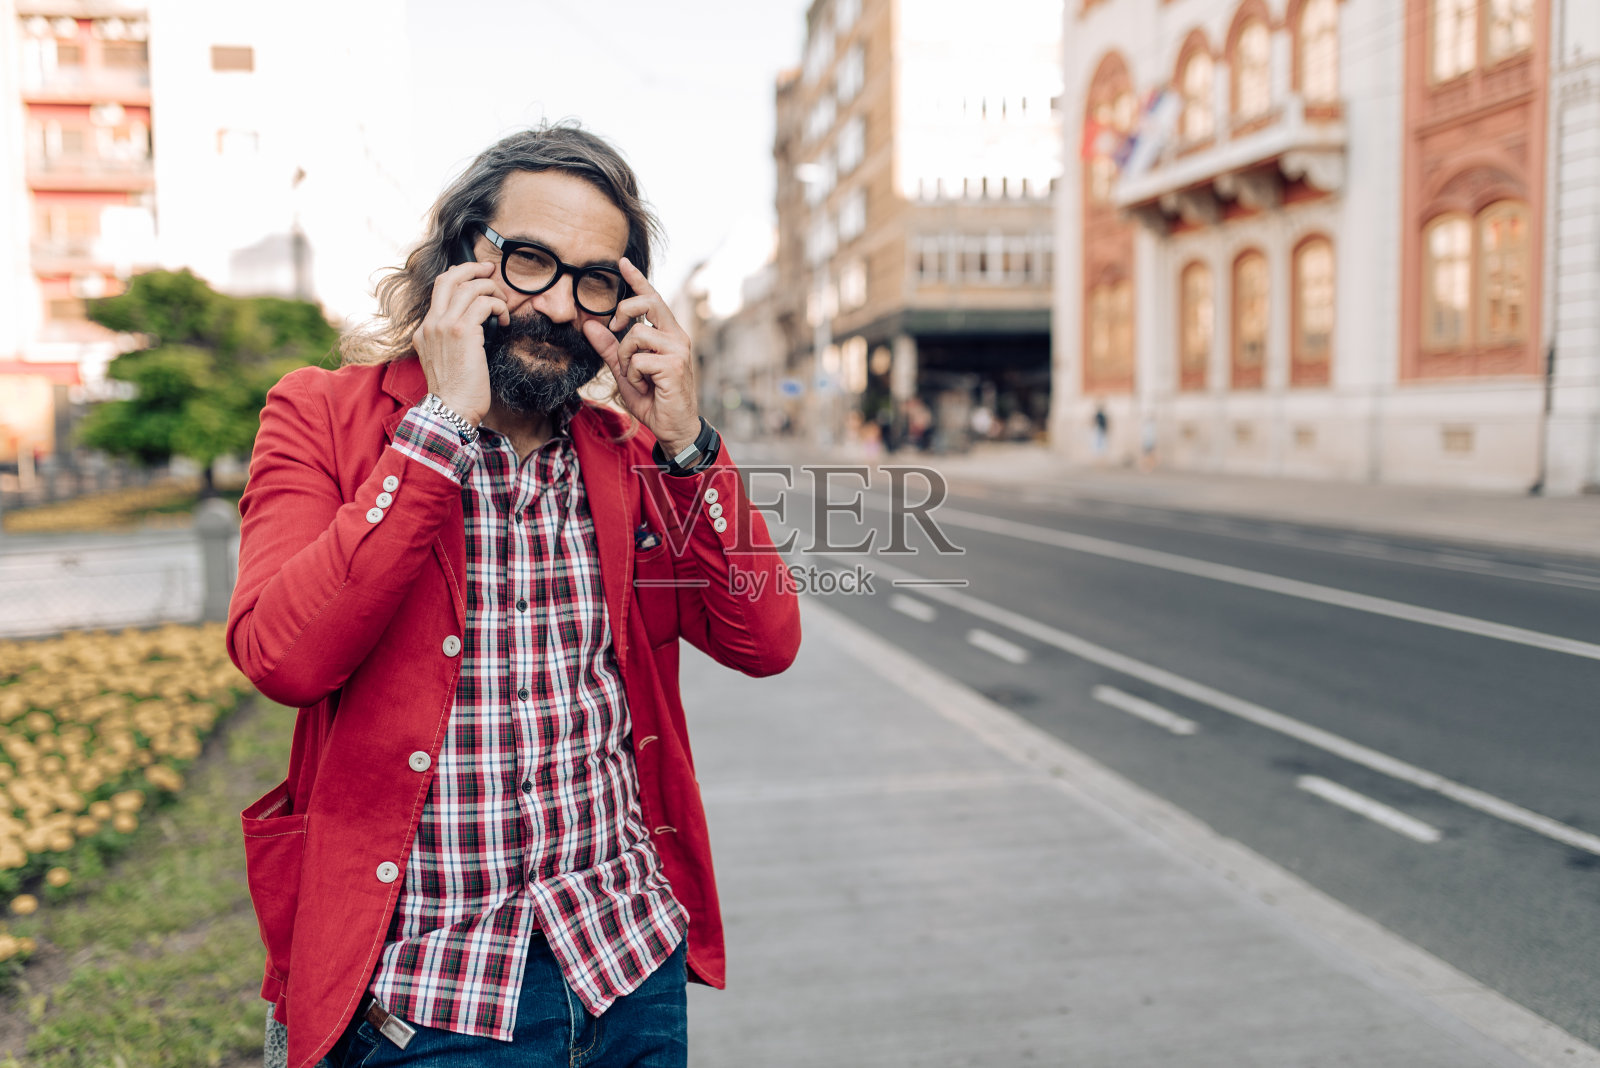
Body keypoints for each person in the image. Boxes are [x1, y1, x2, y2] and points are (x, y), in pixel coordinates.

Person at [227, 124, 801, 1068]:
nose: (557, 306)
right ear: (460, 258)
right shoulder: (322, 415)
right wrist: (440, 428)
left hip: (625, 962)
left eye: (596, 281)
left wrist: (690, 440)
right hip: (431, 993)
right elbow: (282, 657)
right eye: (529, 262)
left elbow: (764, 635)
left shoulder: (630, 456)